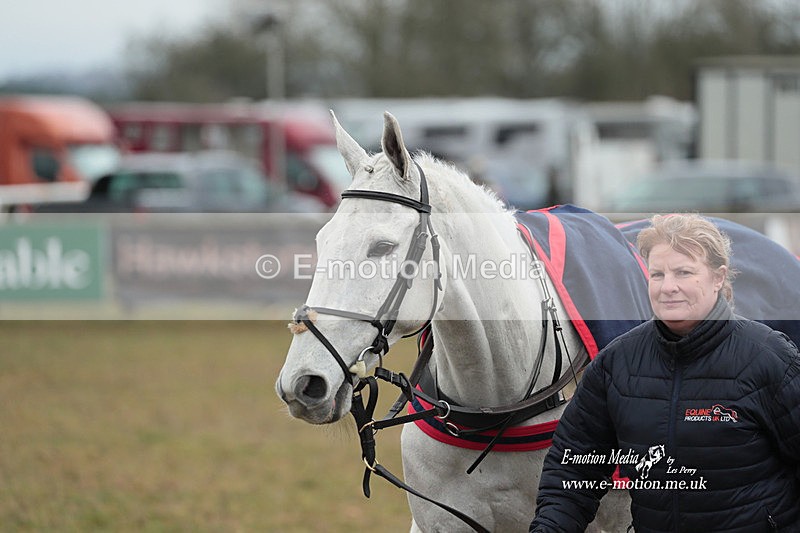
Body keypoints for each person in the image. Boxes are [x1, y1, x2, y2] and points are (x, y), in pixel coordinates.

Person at [529, 213, 800, 532]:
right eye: (657, 274)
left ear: (717, 277)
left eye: (683, 272)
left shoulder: (769, 357)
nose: (668, 287)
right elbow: (571, 471)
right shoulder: (617, 363)